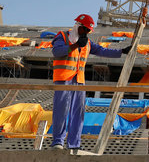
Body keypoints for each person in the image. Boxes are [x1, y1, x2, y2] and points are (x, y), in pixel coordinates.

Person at [50, 14, 132, 151]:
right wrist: (75, 46)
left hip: (79, 81)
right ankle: (58, 142)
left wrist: (121, 51)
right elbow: (56, 51)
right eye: (85, 30)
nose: (86, 33)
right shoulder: (63, 36)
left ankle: (74, 144)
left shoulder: (87, 43)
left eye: (88, 31)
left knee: (78, 113)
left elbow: (101, 50)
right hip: (63, 80)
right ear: (78, 26)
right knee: (61, 111)